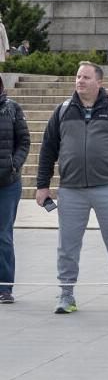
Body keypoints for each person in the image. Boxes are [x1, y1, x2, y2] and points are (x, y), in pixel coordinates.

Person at [36, 62, 108, 314]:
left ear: (99, 82)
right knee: (67, 245)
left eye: (86, 77)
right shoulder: (63, 111)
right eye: (78, 76)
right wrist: (42, 185)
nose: (80, 81)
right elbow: (47, 150)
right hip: (71, 190)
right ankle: (66, 294)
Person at [0, 76, 29, 304]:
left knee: (3, 235)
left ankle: (5, 287)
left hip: (7, 183)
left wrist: (14, 164)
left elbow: (24, 141)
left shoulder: (12, 108)